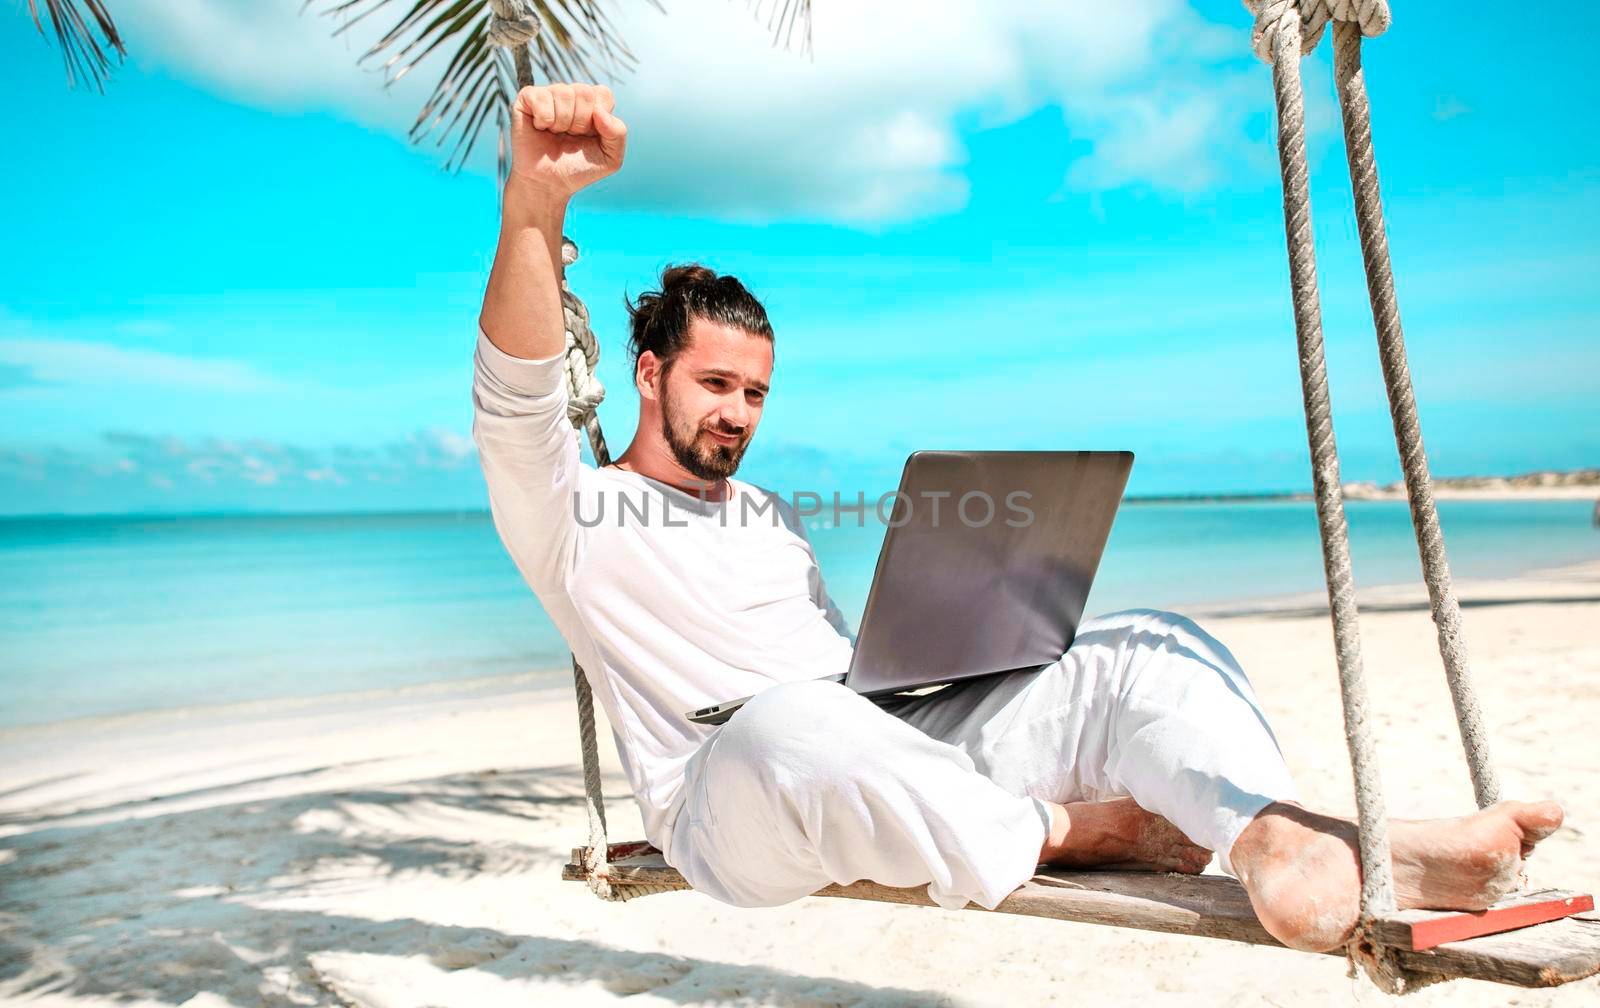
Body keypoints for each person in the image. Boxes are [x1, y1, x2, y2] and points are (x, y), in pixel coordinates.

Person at [472, 82, 1565, 953]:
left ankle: (1279, 842)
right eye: (716, 386)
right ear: (650, 375)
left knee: (1148, 646)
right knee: (786, 725)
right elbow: (515, 404)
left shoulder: (767, 516)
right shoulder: (576, 510)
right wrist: (536, 206)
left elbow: (850, 682)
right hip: (732, 797)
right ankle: (1063, 833)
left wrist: (947, 654)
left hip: (885, 745)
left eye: (756, 393)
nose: (739, 414)